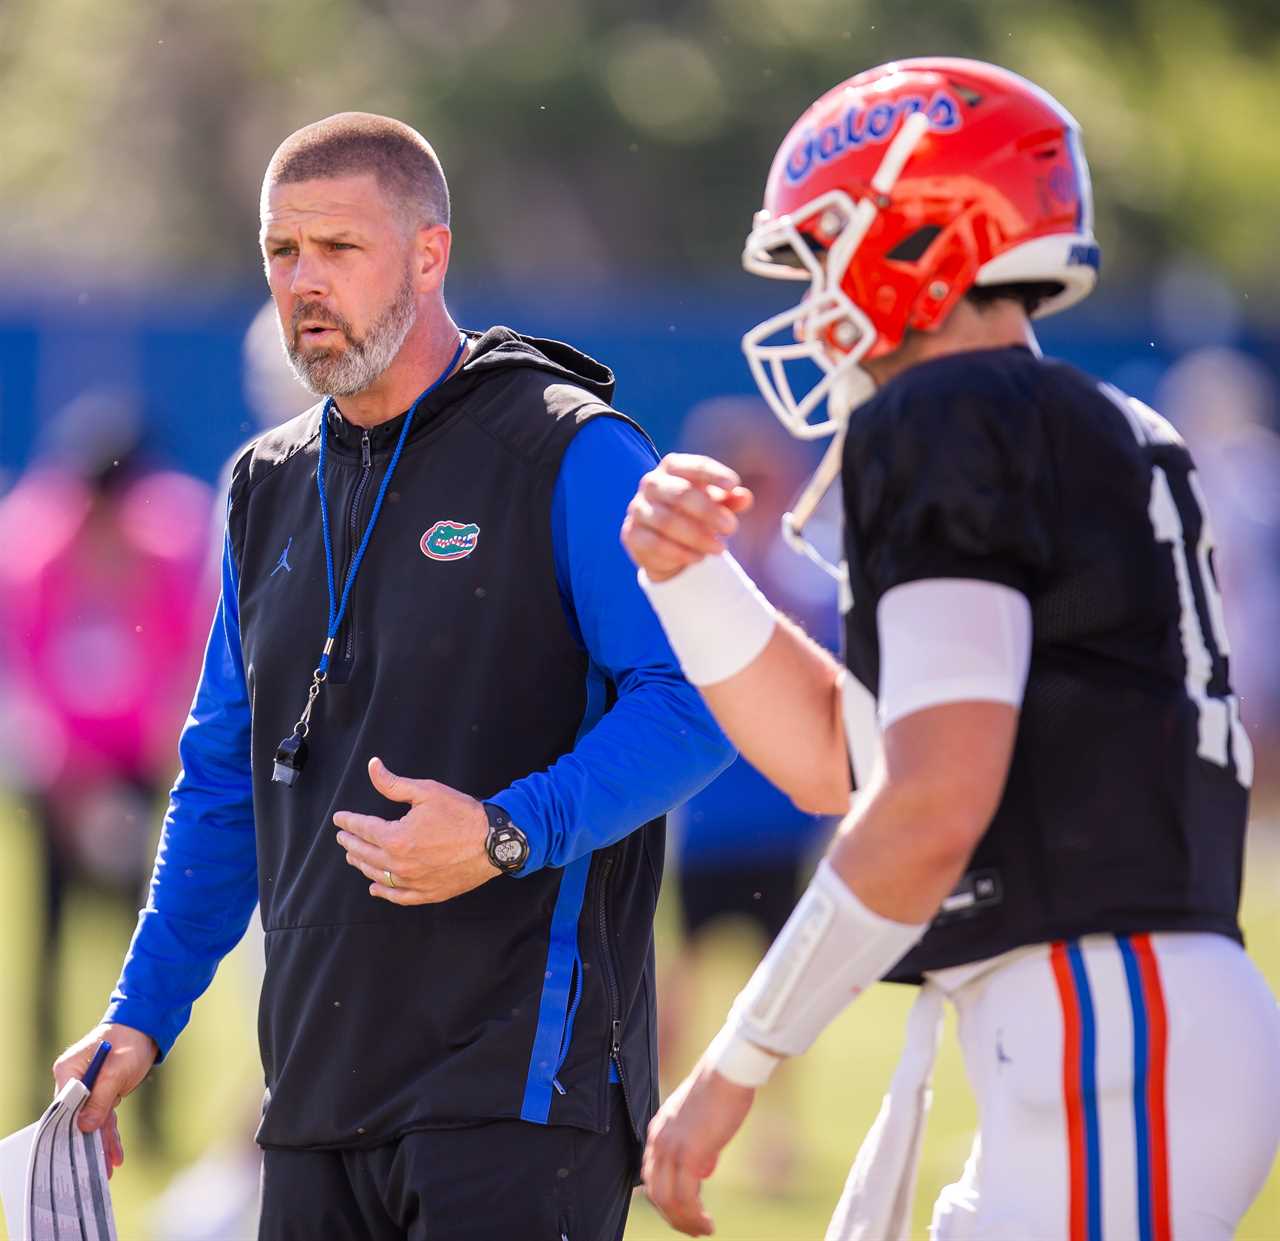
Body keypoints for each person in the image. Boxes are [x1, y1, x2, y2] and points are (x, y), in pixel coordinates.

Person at [622, 58, 1280, 1240]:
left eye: (822, 248)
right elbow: (849, 762)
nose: (813, 293)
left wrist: (735, 1060)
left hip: (1101, 1019)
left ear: (912, 231)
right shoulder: (1065, 421)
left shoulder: (950, 418)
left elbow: (927, 804)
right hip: (1107, 1025)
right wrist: (690, 582)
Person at [52, 112, 733, 1241]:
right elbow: (224, 776)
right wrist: (142, 1012)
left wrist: (509, 829)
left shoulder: (569, 445)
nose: (304, 281)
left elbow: (699, 698)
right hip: (314, 1098)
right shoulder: (263, 482)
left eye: (339, 247)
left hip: (519, 1090)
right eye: (282, 251)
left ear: (428, 254)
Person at [0, 389, 213, 1126]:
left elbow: (189, 663)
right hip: (60, 775)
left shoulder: (167, 549)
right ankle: (40, 1095)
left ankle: (148, 1107)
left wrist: (159, 761)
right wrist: (73, 785)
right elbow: (23, 678)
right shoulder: (35, 552)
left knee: (148, 941)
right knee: (48, 940)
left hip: (134, 770)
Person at [657, 398, 837, 1195]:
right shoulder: (702, 574)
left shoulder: (807, 574)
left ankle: (776, 1144)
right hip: (716, 822)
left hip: (779, 823)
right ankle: (651, 1125)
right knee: (677, 988)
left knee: (781, 995)